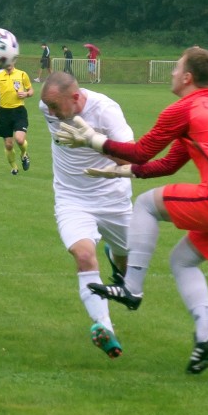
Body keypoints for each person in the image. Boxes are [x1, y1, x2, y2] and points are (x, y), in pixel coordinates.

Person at [56, 47, 208, 374]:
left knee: (145, 204)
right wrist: (122, 172)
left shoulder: (182, 109)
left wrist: (94, 141)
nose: (171, 72)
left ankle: (131, 288)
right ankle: (205, 336)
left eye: (176, 68)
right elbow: (167, 164)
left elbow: (141, 152)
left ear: (187, 77)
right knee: (182, 261)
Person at [40, 71, 134, 358]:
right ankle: (104, 327)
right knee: (83, 255)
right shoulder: (48, 107)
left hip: (113, 197)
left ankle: (118, 264)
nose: (52, 113)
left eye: (57, 106)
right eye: (49, 107)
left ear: (77, 97)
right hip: (72, 198)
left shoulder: (106, 111)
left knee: (126, 258)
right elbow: (51, 107)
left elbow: (132, 157)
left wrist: (93, 140)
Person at [0, 63, 33, 175]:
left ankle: (24, 154)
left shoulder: (22, 74)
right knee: (9, 145)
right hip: (4, 113)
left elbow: (31, 90)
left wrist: (26, 94)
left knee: (20, 139)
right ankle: (14, 167)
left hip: (19, 111)